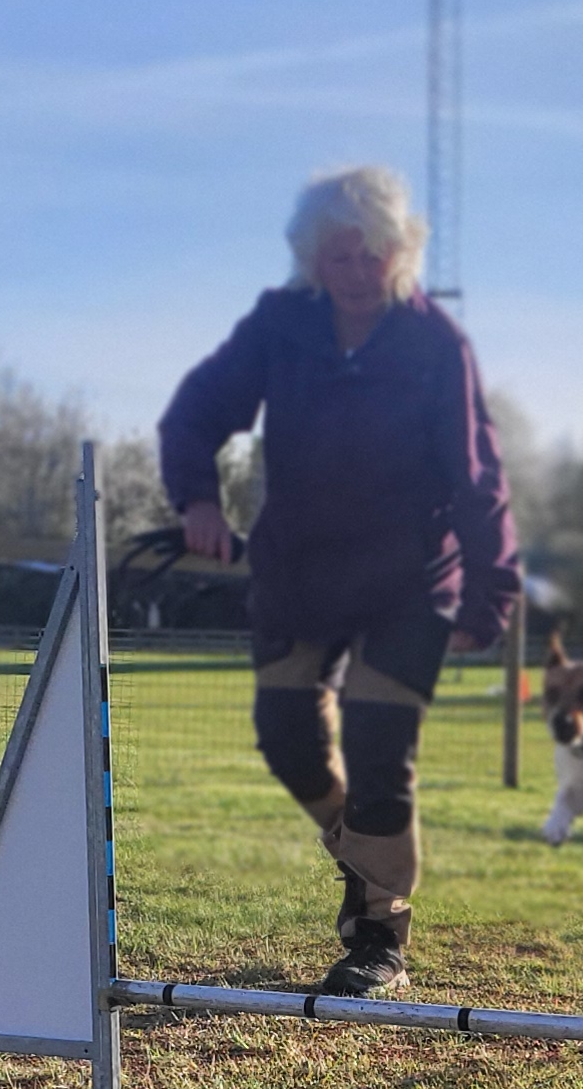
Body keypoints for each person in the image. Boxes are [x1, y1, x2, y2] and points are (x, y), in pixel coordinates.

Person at [160, 165, 520, 997]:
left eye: (371, 255)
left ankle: (377, 938)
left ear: (400, 252)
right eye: (338, 256)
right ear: (313, 259)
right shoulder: (280, 324)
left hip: (410, 581)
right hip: (300, 573)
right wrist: (198, 498)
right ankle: (367, 853)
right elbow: (196, 411)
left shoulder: (436, 344)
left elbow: (477, 474)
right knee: (287, 738)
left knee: (379, 748)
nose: (356, 272)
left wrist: (490, 592)